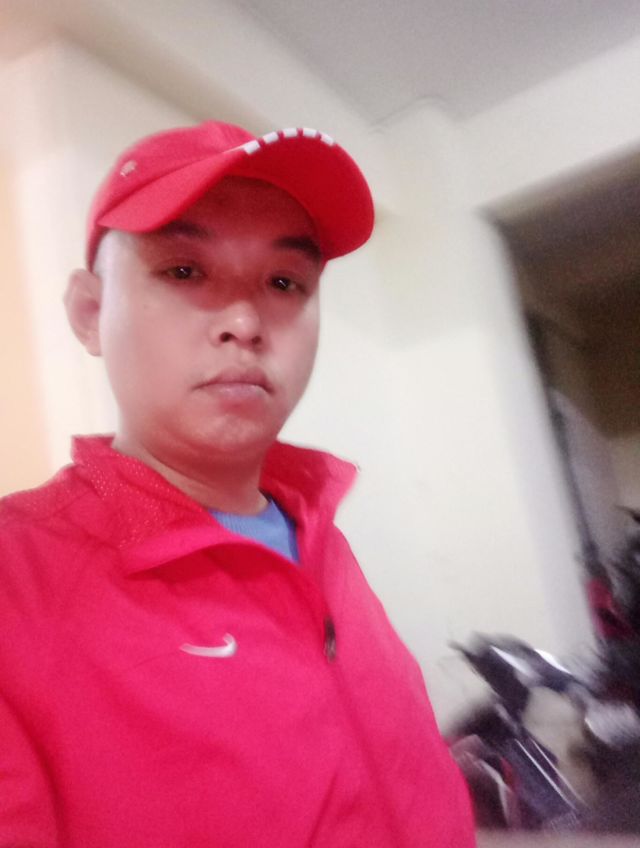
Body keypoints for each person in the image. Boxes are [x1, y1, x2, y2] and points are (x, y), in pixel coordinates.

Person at [0, 120, 475, 847]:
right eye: (184, 271)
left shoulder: (318, 533)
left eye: (284, 282)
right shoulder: (18, 581)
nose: (246, 321)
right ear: (90, 313)